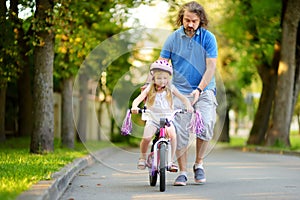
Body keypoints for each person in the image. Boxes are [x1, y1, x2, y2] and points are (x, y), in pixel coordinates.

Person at [149, 1, 218, 186]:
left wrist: (199, 90)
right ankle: (182, 171)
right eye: (187, 20)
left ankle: (199, 163)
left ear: (200, 21)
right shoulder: (173, 38)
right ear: (181, 18)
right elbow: (161, 64)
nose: (190, 24)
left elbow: (211, 67)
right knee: (178, 132)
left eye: (194, 21)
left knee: (207, 123)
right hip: (179, 91)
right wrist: (150, 85)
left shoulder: (208, 38)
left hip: (204, 89)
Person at [131, 60, 193, 171]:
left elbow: (183, 98)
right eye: (159, 78)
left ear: (169, 78)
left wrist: (188, 105)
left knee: (173, 136)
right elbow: (138, 99)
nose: (162, 81)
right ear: (153, 78)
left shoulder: (171, 88)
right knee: (146, 138)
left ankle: (170, 161)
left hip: (167, 119)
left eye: (165, 78)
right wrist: (134, 106)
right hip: (153, 118)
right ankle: (142, 158)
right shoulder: (149, 88)